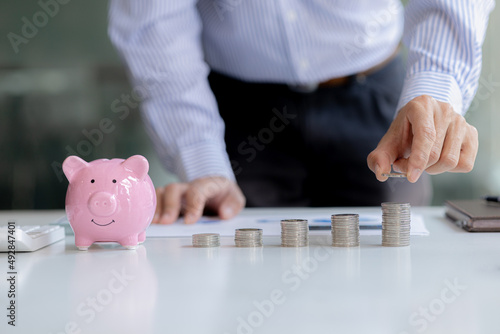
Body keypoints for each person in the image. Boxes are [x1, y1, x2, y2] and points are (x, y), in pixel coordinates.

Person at [108, 0, 494, 224]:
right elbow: (154, 23)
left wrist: (436, 84)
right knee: (245, 287)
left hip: (379, 97)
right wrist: (203, 161)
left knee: (391, 278)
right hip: (237, 113)